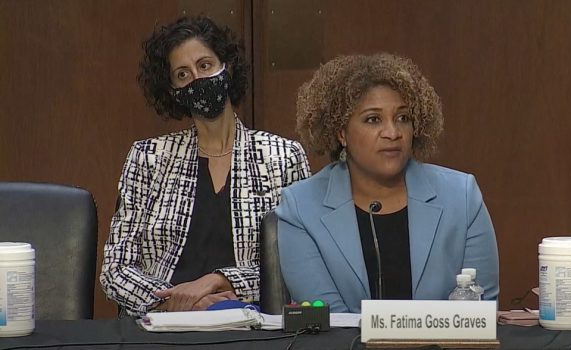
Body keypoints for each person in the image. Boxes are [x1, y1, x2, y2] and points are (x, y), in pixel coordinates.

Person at [100, 16, 310, 316]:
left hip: (249, 324)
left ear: (227, 67)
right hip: (162, 324)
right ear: (172, 89)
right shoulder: (147, 158)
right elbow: (116, 269)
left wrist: (220, 281)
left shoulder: (283, 156)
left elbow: (299, 262)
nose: (197, 79)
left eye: (205, 65)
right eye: (183, 74)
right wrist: (175, 300)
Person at [276, 54, 499, 313]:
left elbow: (481, 314)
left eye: (403, 118)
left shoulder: (461, 196)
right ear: (341, 133)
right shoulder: (301, 207)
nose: (393, 133)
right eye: (373, 119)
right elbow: (330, 323)